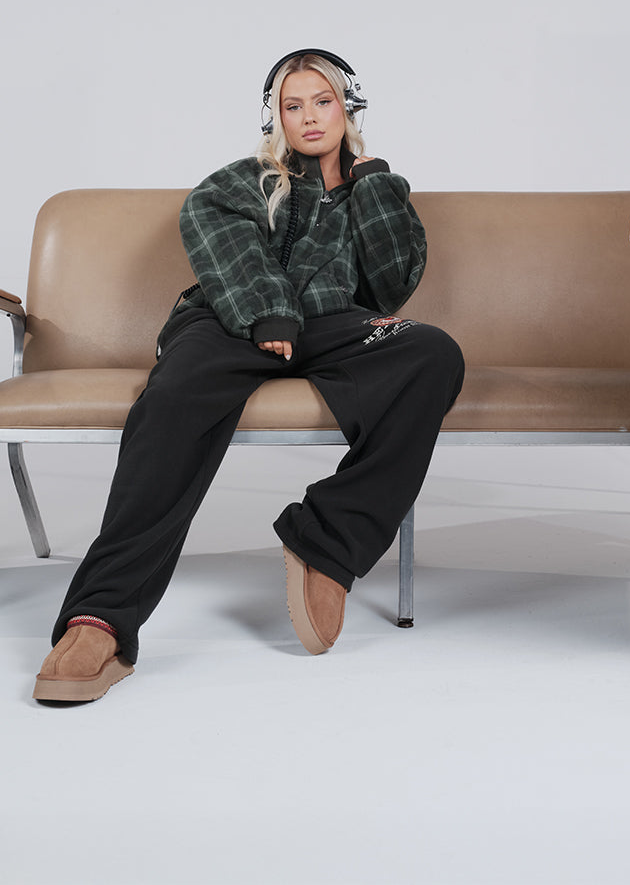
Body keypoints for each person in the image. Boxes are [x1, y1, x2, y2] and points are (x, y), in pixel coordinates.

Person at [34, 49, 464, 702]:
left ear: (348, 108)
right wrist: (267, 308)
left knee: (431, 353)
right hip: (229, 319)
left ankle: (326, 543)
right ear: (276, 118)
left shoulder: (372, 188)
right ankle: (101, 618)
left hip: (334, 325)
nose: (309, 116)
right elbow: (212, 227)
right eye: (293, 105)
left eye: (323, 101)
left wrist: (375, 186)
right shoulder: (248, 179)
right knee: (172, 398)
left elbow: (391, 285)